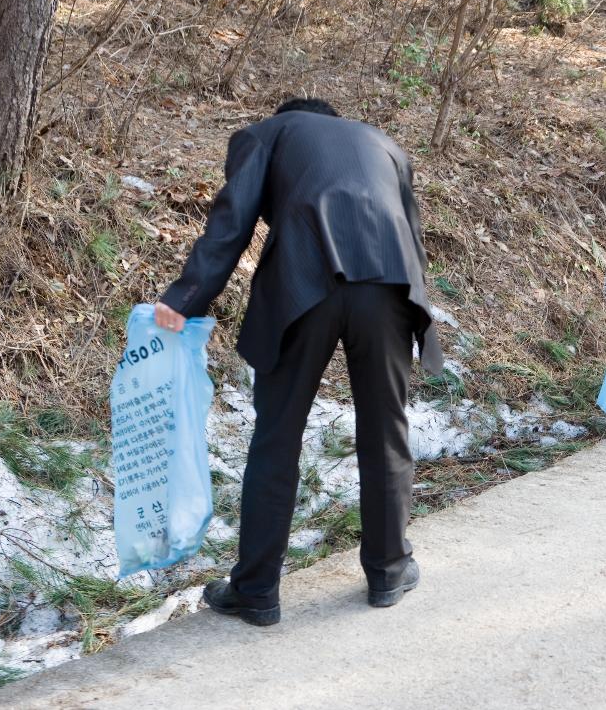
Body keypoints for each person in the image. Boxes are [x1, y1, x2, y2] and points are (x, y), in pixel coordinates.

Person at [153, 97, 443, 626]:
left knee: (277, 437)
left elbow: (232, 221)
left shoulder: (267, 132)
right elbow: (413, 238)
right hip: (389, 285)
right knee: (386, 431)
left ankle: (257, 591)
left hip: (303, 282)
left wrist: (184, 299)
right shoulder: (385, 145)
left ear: (289, 115)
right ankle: (388, 571)